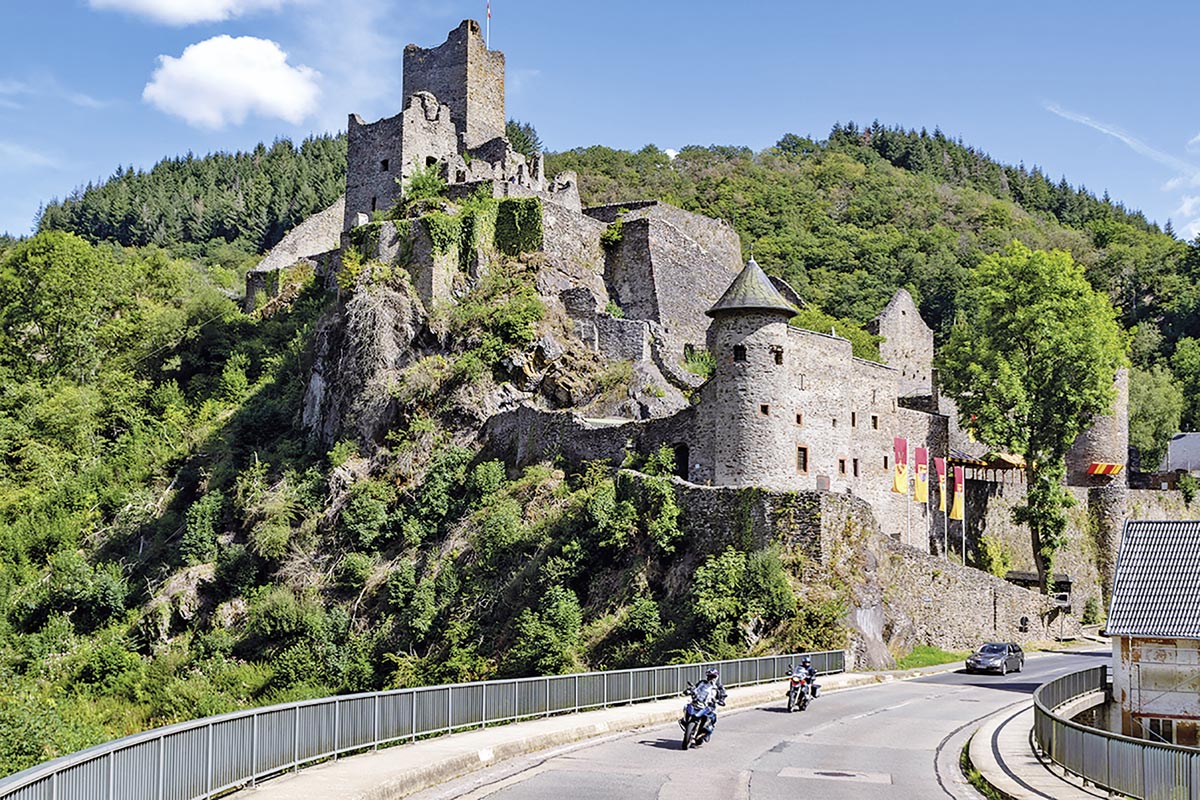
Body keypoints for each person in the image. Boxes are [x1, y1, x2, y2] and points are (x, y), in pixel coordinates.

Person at [692, 668, 727, 742]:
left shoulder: (718, 686)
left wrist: (721, 700)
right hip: (698, 703)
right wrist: (690, 690)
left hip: (710, 706)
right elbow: (695, 688)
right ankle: (687, 723)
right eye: (709, 676)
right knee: (688, 708)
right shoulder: (702, 683)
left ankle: (707, 732)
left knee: (712, 718)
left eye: (713, 676)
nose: (711, 678)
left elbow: (723, 694)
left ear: (716, 677)